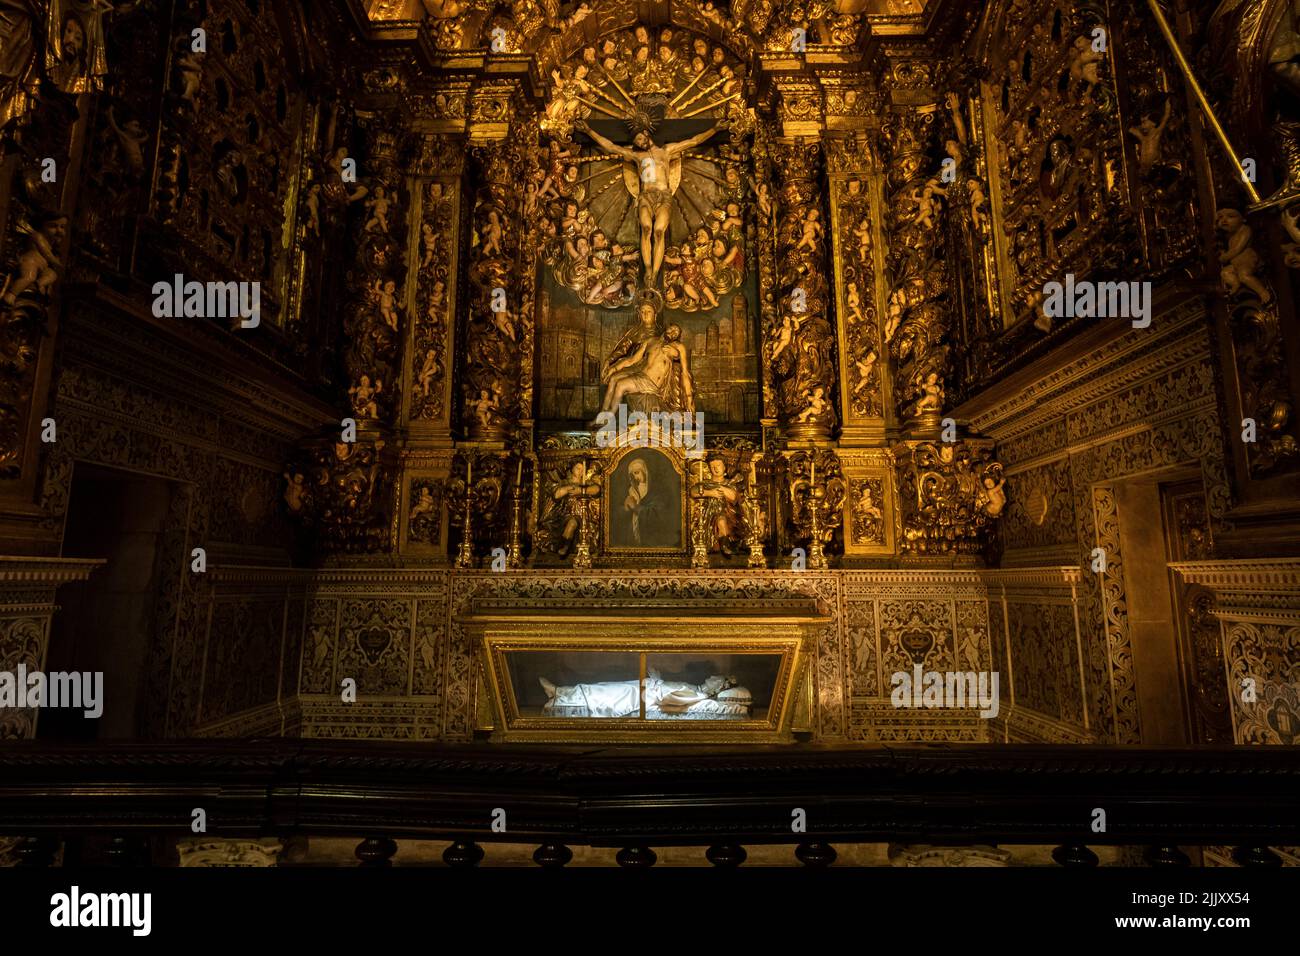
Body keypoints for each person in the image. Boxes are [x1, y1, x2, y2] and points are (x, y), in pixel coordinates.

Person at [577, 119, 722, 282]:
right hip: (646, 196)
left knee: (659, 231)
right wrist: (589, 131)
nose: (640, 142)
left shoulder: (666, 151)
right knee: (646, 228)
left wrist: (715, 130)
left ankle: (655, 272)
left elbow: (693, 141)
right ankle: (647, 268)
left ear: (646, 133)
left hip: (663, 196)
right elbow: (611, 146)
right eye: (637, 142)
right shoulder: (637, 156)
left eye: (640, 138)